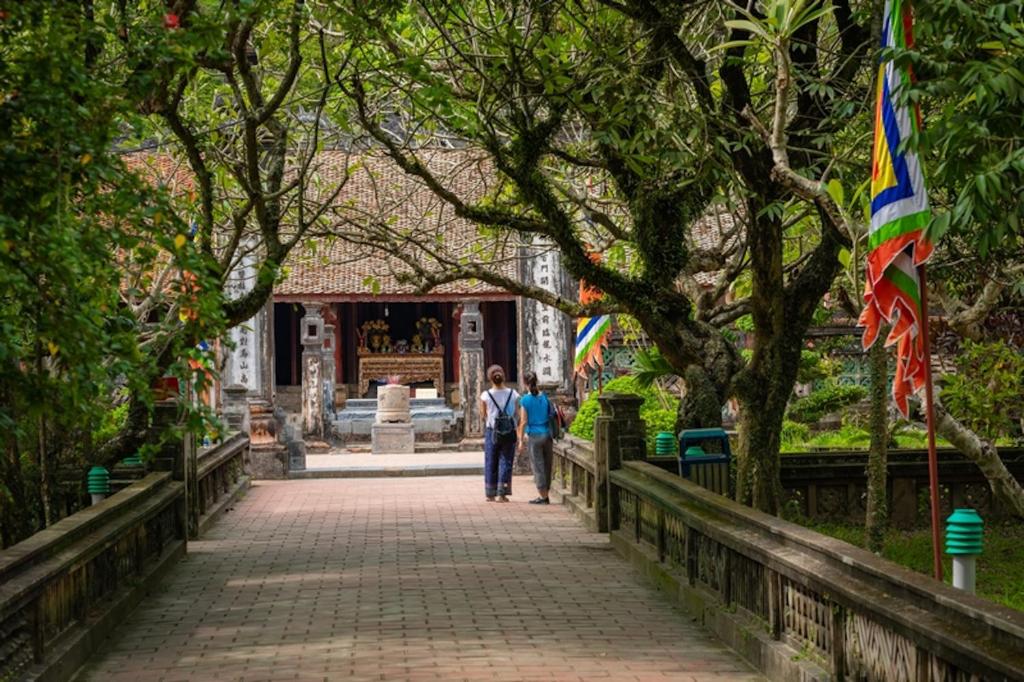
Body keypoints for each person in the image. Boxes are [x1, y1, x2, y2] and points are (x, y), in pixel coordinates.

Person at [480, 364, 519, 502]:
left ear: (490, 378)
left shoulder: (486, 395)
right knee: (506, 460)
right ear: (503, 376)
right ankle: (502, 493)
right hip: (509, 430)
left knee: (491, 460)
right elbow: (516, 412)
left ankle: (490, 493)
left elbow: (483, 414)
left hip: (492, 430)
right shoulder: (513, 394)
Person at [517, 371, 554, 505]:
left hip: (534, 435)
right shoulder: (544, 397)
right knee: (547, 465)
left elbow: (523, 421)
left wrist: (520, 440)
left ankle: (543, 496)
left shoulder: (525, 400)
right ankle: (546, 493)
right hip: (547, 434)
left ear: (525, 383)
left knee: (538, 466)